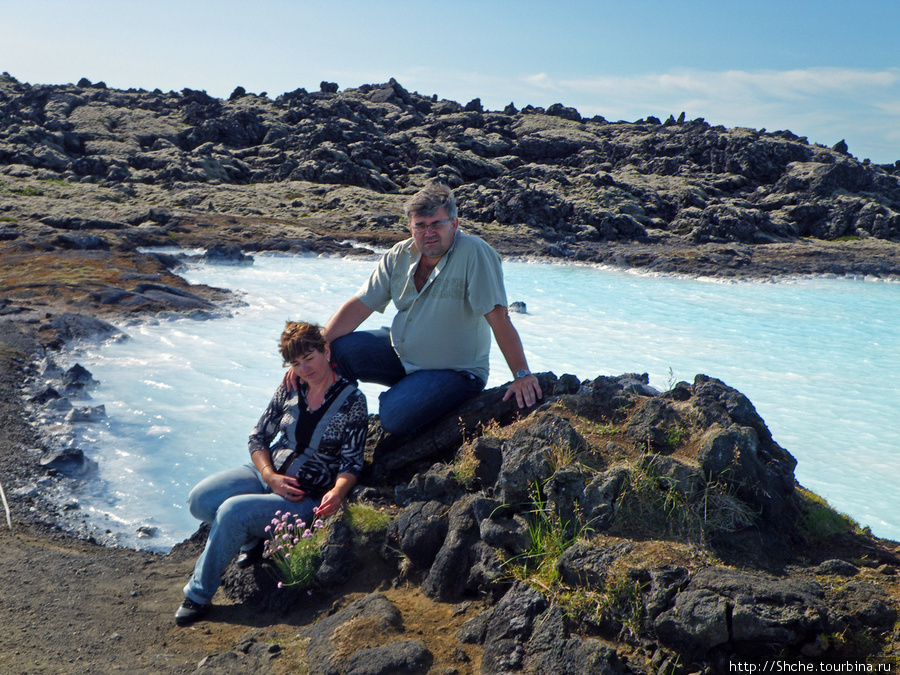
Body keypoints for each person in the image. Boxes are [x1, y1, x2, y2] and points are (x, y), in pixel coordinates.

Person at [174, 321, 367, 626]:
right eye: (295, 363)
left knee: (231, 512)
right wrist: (268, 476)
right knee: (199, 500)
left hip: (302, 496)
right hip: (266, 474)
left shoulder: (353, 401)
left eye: (310, 358)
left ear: (326, 350)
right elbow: (258, 438)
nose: (305, 369)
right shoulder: (290, 386)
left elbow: (352, 463)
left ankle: (197, 595)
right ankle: (253, 538)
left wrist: (337, 493)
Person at [321, 181, 541, 436]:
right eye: (421, 226)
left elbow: (499, 318)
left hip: (456, 373)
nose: (429, 233)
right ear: (411, 227)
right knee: (337, 351)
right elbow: (359, 305)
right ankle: (334, 435)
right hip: (401, 355)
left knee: (392, 417)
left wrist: (522, 374)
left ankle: (413, 395)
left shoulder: (475, 253)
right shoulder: (398, 255)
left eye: (437, 224)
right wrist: (313, 347)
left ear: (454, 224)